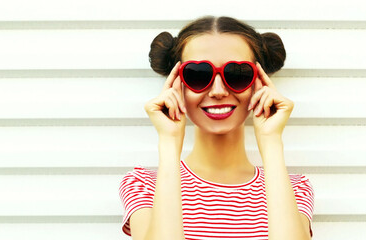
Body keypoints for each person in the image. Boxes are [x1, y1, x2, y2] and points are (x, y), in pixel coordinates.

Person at [119, 16, 314, 240]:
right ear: (176, 85)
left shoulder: (295, 189)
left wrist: (271, 140)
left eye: (237, 74)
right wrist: (169, 142)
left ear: (258, 83)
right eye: (198, 74)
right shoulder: (144, 185)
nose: (218, 90)